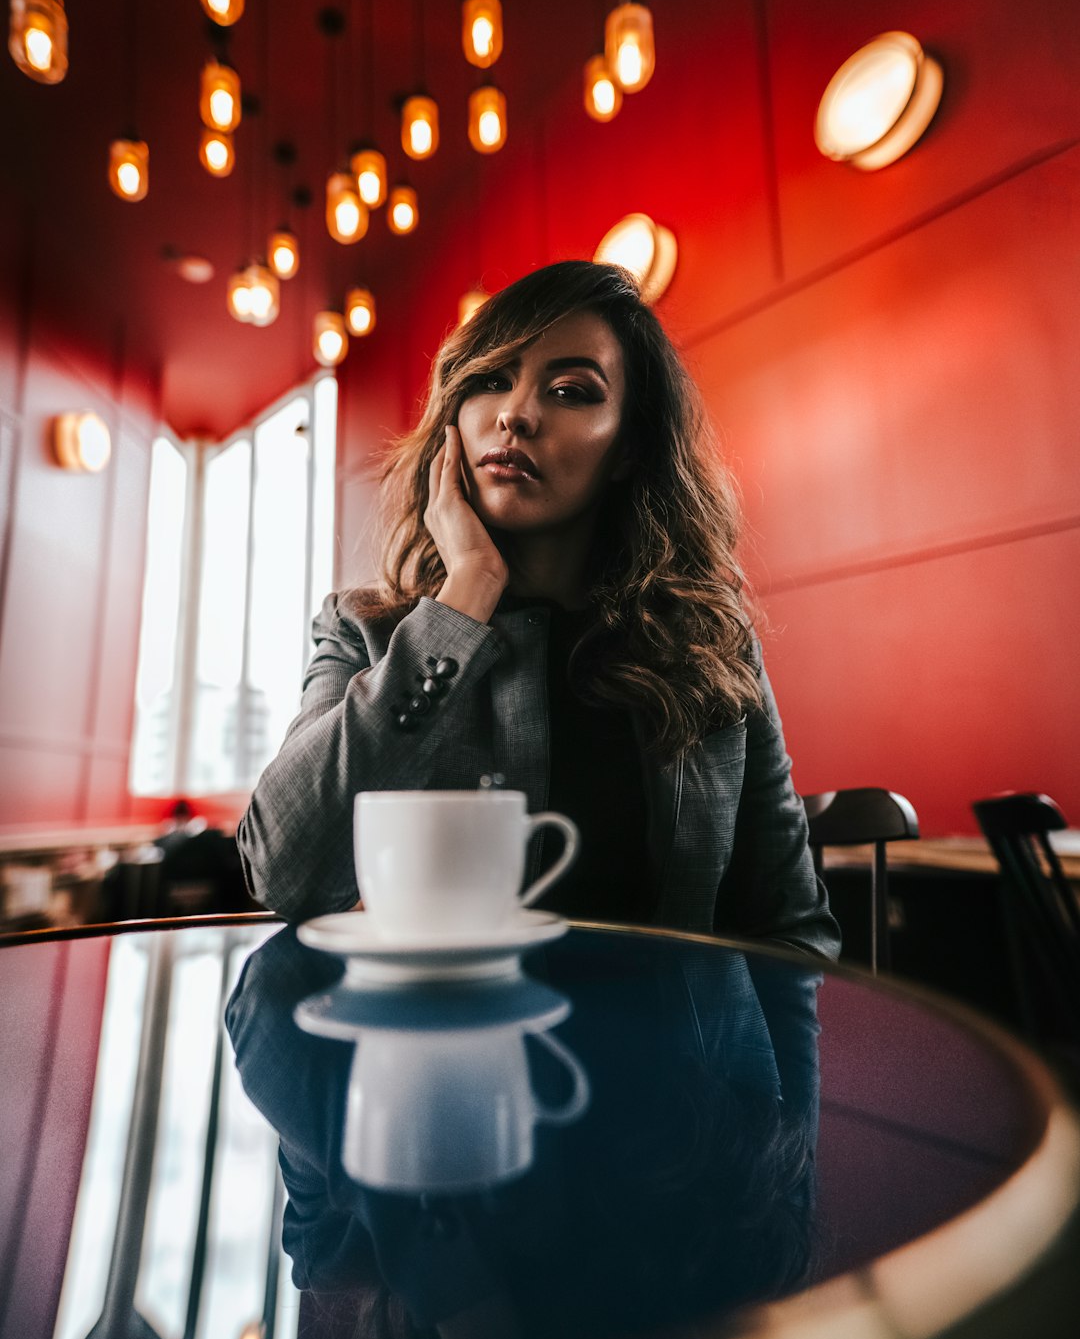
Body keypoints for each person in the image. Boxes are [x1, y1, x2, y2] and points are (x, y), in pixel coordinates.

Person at [237, 259, 839, 959]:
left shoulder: (707, 647)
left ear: (627, 448)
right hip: (446, 1057)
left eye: (569, 391)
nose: (515, 414)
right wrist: (464, 596)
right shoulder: (361, 631)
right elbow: (283, 873)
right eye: (490, 381)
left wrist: (760, 1072)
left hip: (669, 1060)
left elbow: (792, 931)